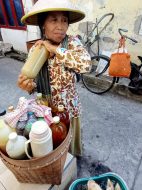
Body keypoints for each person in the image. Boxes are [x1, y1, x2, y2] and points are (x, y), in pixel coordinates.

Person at [17, 0, 91, 156]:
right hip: (44, 110)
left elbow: (86, 65)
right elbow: (34, 84)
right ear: (43, 24)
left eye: (64, 20)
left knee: (68, 144)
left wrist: (55, 49)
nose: (61, 26)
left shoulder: (72, 43)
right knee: (51, 146)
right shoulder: (35, 50)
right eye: (54, 20)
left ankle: (71, 158)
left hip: (68, 108)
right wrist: (28, 86)